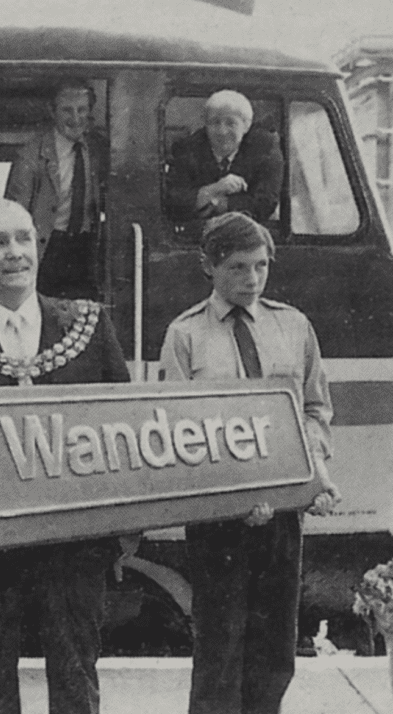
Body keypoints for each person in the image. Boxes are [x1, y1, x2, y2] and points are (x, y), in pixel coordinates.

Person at [0, 198, 130, 714]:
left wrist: (122, 532)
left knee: (76, 685)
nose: (15, 253)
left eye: (24, 239)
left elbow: (123, 430)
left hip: (73, 549)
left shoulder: (89, 326)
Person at [159, 212, 341, 714]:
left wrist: (314, 473)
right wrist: (235, 497)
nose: (253, 279)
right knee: (220, 648)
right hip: (219, 522)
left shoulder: (294, 326)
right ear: (209, 266)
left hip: (282, 517)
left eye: (261, 266)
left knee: (276, 647)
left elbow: (314, 410)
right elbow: (179, 431)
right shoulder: (186, 335)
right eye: (239, 267)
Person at [4, 78, 108, 299]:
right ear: (52, 112)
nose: (76, 118)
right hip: (49, 248)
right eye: (67, 110)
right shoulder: (30, 155)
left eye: (82, 110)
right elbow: (13, 216)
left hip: (86, 248)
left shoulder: (97, 148)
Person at [165, 89, 284, 222]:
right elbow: (173, 202)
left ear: (246, 125)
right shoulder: (187, 149)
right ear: (205, 125)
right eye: (215, 122)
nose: (222, 131)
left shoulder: (265, 147)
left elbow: (264, 204)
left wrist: (218, 203)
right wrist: (215, 189)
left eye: (230, 123)